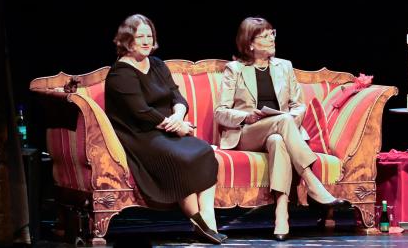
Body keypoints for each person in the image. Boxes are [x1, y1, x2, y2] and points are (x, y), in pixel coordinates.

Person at [214, 17, 350, 241]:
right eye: (265, 36)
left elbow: (298, 106)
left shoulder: (284, 67)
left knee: (278, 138)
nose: (271, 39)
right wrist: (247, 116)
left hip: (279, 130)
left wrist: (287, 119)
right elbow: (221, 111)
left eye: (272, 34)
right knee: (283, 122)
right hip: (248, 133)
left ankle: (281, 215)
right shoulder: (235, 69)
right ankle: (312, 181)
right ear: (250, 44)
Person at [104, 14, 225, 244]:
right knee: (179, 158)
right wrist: (176, 127)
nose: (146, 41)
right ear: (127, 40)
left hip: (167, 128)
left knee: (203, 151)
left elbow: (176, 94)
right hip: (140, 135)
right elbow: (141, 112)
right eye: (140, 36)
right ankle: (196, 219)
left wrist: (179, 115)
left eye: (149, 36)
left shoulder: (158, 64)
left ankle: (208, 219)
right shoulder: (121, 73)